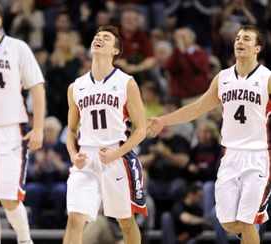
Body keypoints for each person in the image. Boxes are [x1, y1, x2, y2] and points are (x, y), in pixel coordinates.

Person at [148, 25, 270, 244]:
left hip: (259, 156)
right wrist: (163, 120)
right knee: (226, 222)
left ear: (257, 48)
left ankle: (253, 223)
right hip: (230, 155)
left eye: (247, 39)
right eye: (238, 38)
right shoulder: (223, 78)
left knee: (247, 220)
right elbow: (196, 108)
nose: (240, 42)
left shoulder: (267, 78)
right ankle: (252, 226)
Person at [63, 25, 147, 244]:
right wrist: (73, 154)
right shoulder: (76, 86)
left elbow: (141, 129)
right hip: (86, 159)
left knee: (126, 222)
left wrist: (117, 153)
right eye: (97, 36)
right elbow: (71, 131)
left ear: (116, 51)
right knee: (74, 218)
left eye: (106, 38)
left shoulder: (126, 82)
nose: (99, 39)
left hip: (115, 155)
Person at [0, 1, 45, 244]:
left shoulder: (17, 48)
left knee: (10, 198)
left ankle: (25, 240)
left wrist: (39, 127)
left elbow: (37, 87)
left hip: (12, 130)